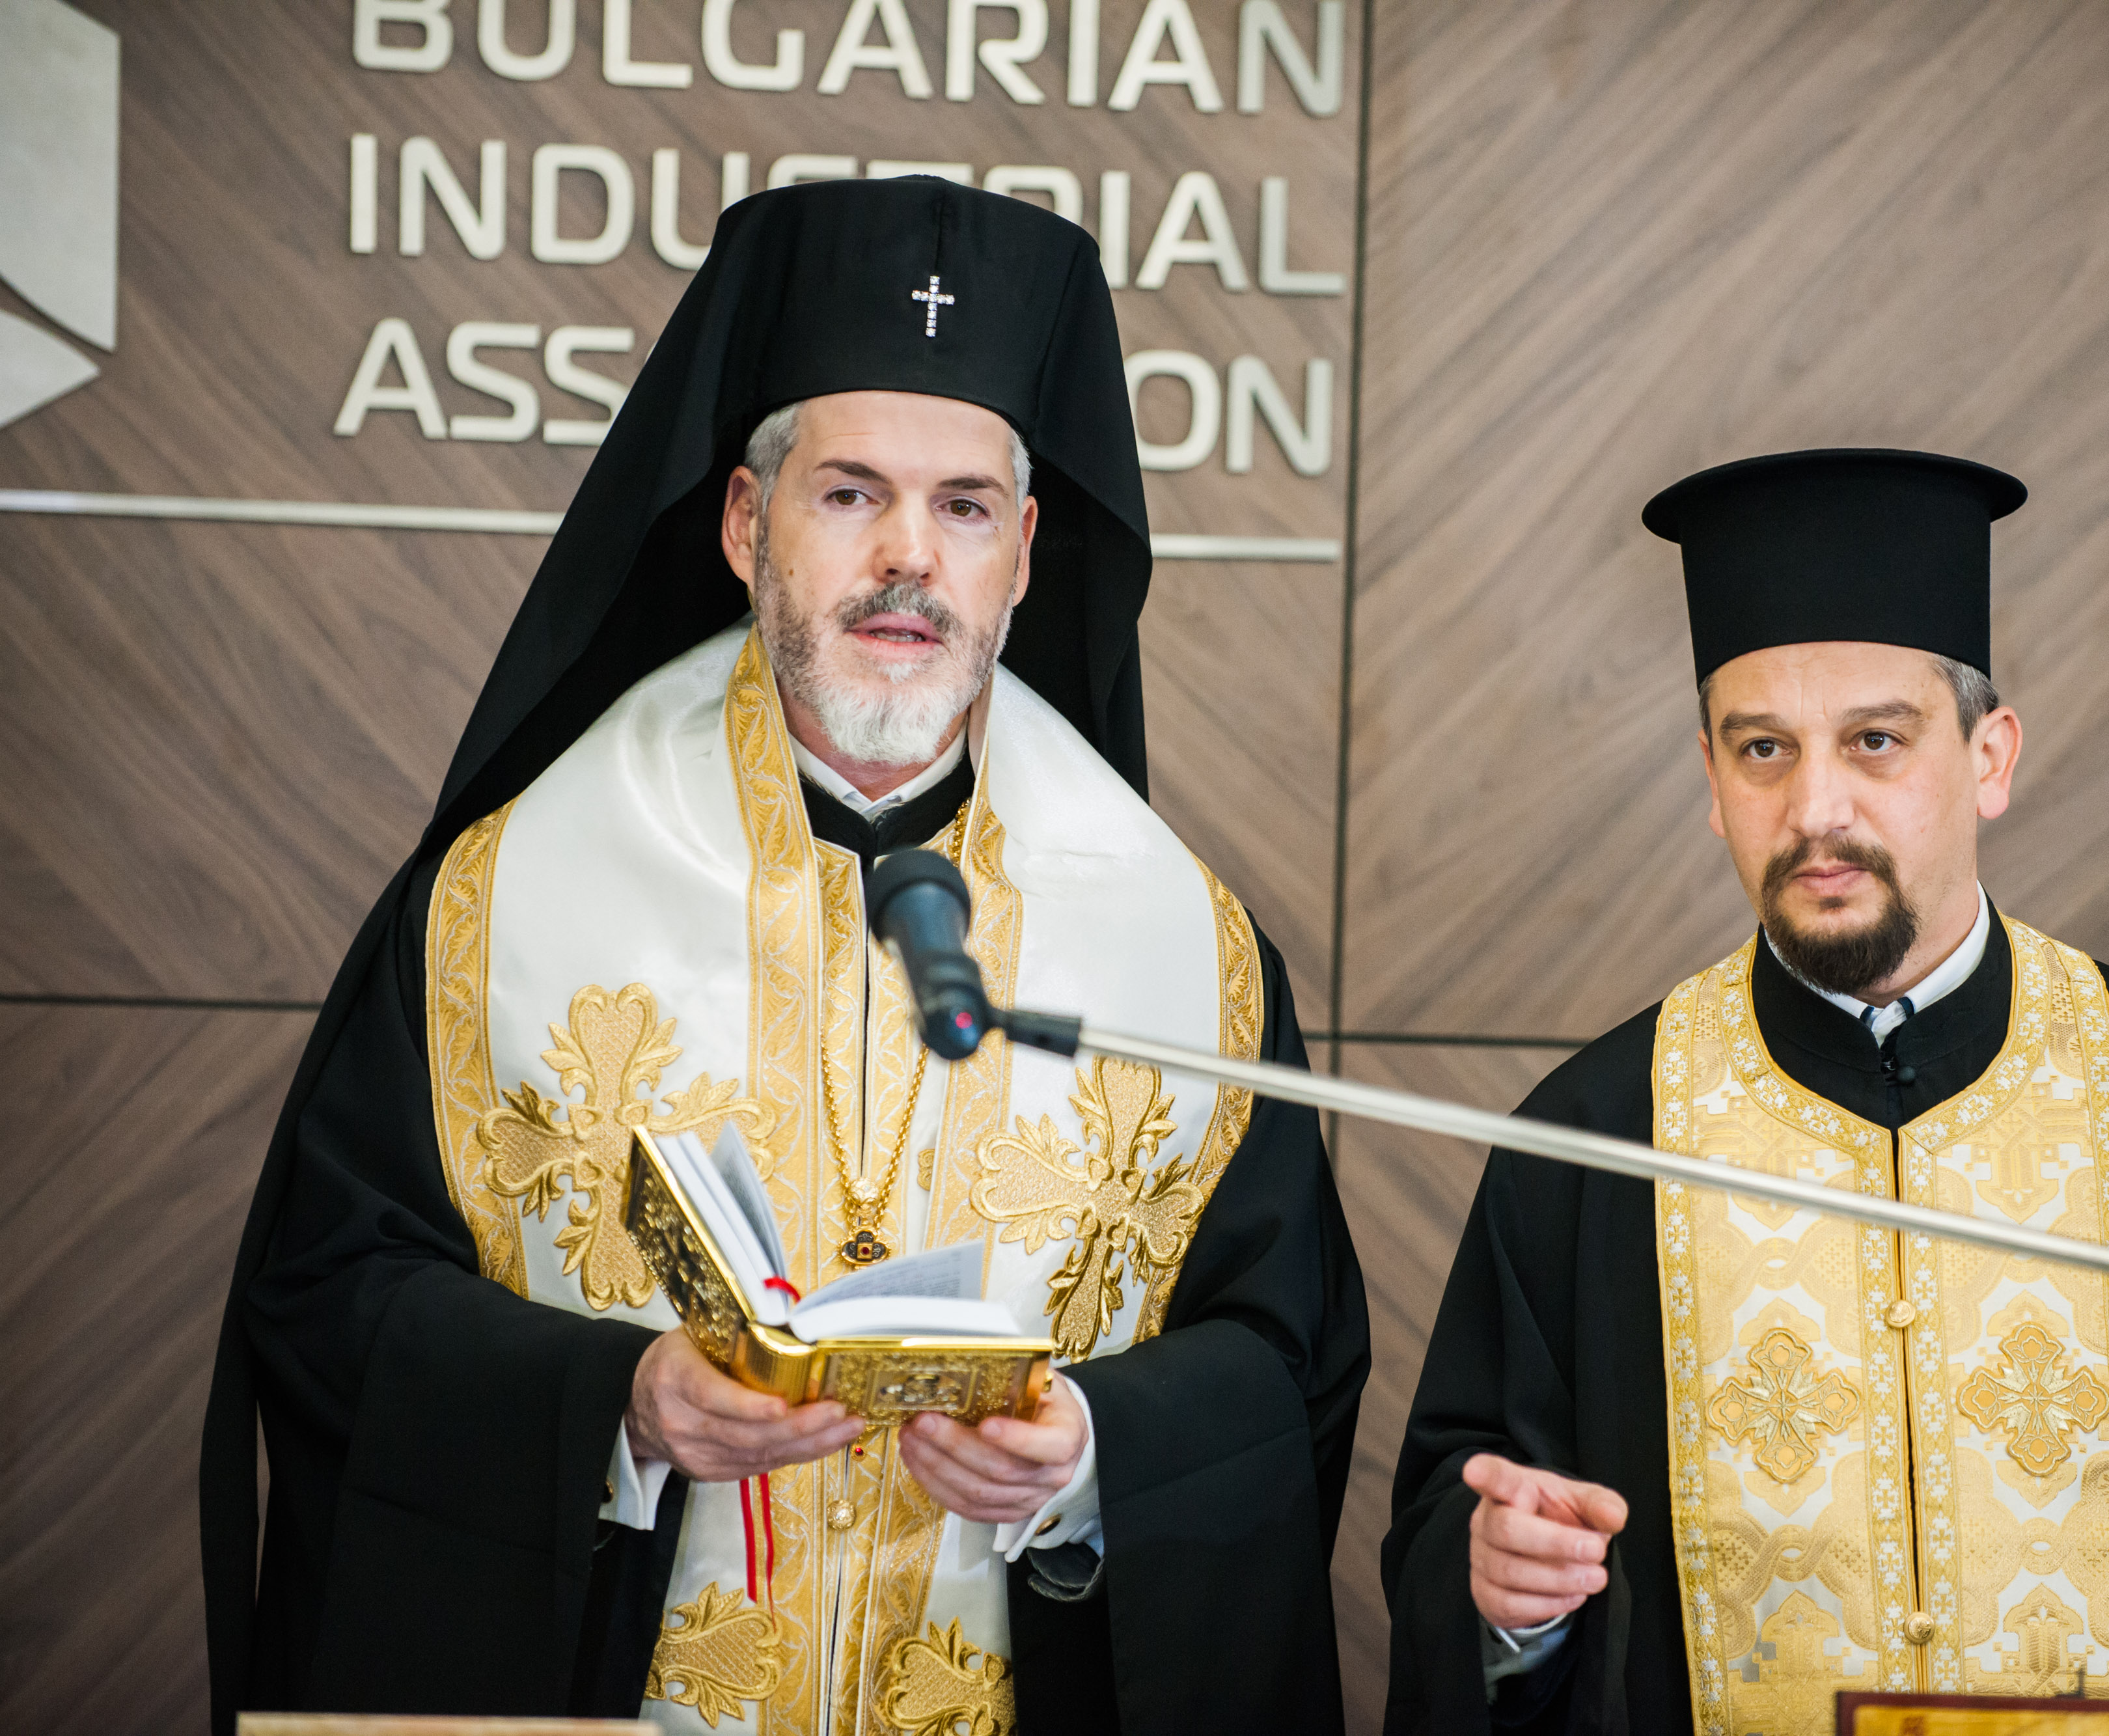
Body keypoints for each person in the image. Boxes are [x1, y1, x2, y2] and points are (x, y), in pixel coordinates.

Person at [200, 177, 1368, 1736]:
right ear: (748, 521)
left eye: (964, 507)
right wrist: (618, 1407)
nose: (908, 558)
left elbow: (1283, 1355)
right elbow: (330, 1293)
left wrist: (1094, 1451)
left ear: (1024, 550)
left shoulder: (1183, 945)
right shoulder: (503, 897)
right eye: (850, 493)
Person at [1382, 450, 2109, 1735]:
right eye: (1763, 749)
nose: (1816, 808)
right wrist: (1506, 1594)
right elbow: (1460, 1533)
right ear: (1711, 780)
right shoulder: (1591, 1137)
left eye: (1875, 741)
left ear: (1988, 757)